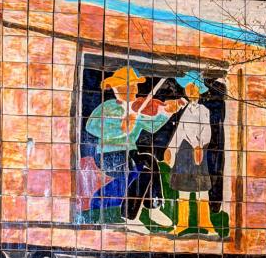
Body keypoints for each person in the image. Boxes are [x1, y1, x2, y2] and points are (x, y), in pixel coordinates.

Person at [81, 66, 181, 222]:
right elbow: (91, 127)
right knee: (138, 166)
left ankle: (152, 206)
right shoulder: (108, 107)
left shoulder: (137, 110)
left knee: (149, 161)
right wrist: (120, 127)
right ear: (119, 89)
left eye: (135, 86)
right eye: (131, 86)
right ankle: (128, 214)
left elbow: (152, 126)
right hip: (108, 156)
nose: (135, 90)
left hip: (130, 154)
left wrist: (167, 112)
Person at [163, 71, 215, 234]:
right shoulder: (184, 109)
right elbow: (180, 131)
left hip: (197, 151)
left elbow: (207, 130)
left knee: (202, 187)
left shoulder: (204, 110)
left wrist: (199, 146)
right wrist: (170, 150)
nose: (191, 91)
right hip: (184, 152)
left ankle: (206, 223)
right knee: (183, 188)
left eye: (193, 88)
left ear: (199, 90)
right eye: (188, 88)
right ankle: (182, 224)